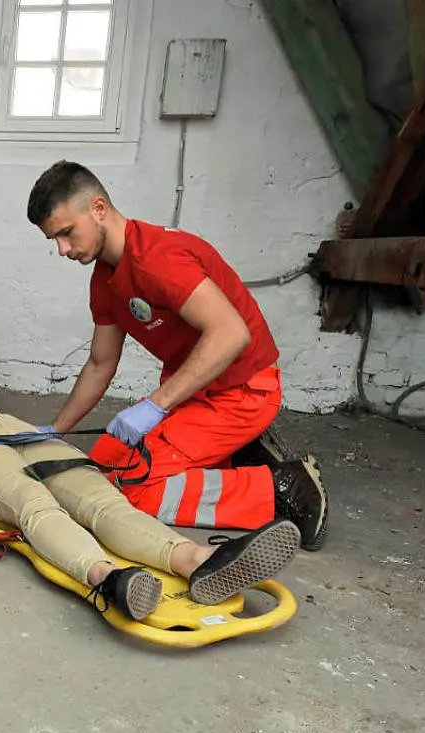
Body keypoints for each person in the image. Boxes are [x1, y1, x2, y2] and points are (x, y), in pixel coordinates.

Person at [25, 161, 329, 550]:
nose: (63, 250)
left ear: (98, 208)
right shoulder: (104, 278)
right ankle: (237, 457)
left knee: (129, 487)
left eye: (66, 234)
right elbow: (101, 363)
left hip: (242, 393)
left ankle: (279, 487)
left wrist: (155, 405)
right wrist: (57, 429)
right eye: (55, 240)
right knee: (106, 460)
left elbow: (231, 333)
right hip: (194, 394)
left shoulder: (158, 259)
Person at [0, 384, 302, 621]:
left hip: (21, 431)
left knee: (103, 500)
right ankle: (108, 579)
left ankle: (199, 560)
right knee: (35, 505)